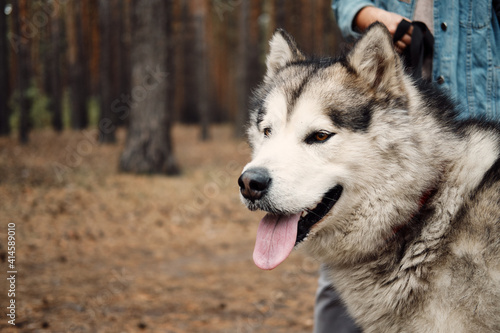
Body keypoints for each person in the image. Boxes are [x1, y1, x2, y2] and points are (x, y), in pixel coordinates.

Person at [313, 1, 500, 332]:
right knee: (344, 268)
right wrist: (375, 18)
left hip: (471, 129)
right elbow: (347, 4)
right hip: (392, 118)